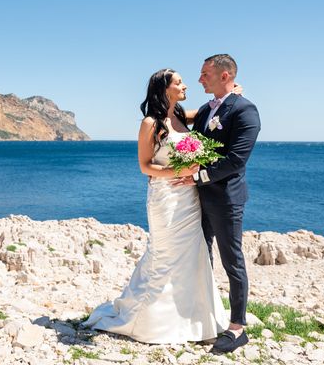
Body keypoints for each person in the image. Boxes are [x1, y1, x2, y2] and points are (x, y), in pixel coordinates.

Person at [83, 68, 230, 344]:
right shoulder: (151, 123)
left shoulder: (180, 116)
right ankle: (149, 321)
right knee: (164, 255)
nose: (185, 85)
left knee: (192, 254)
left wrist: (230, 94)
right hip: (165, 199)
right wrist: (182, 171)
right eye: (179, 82)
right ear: (165, 89)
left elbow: (210, 109)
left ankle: (194, 320)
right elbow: (145, 166)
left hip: (189, 199)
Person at [178, 54, 261, 353]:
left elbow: (236, 160)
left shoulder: (245, 110)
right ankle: (206, 314)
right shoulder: (204, 110)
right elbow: (184, 127)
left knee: (232, 261)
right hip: (197, 199)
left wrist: (199, 177)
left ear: (224, 76)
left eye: (204, 74)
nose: (200, 79)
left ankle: (237, 328)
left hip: (226, 199)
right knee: (202, 256)